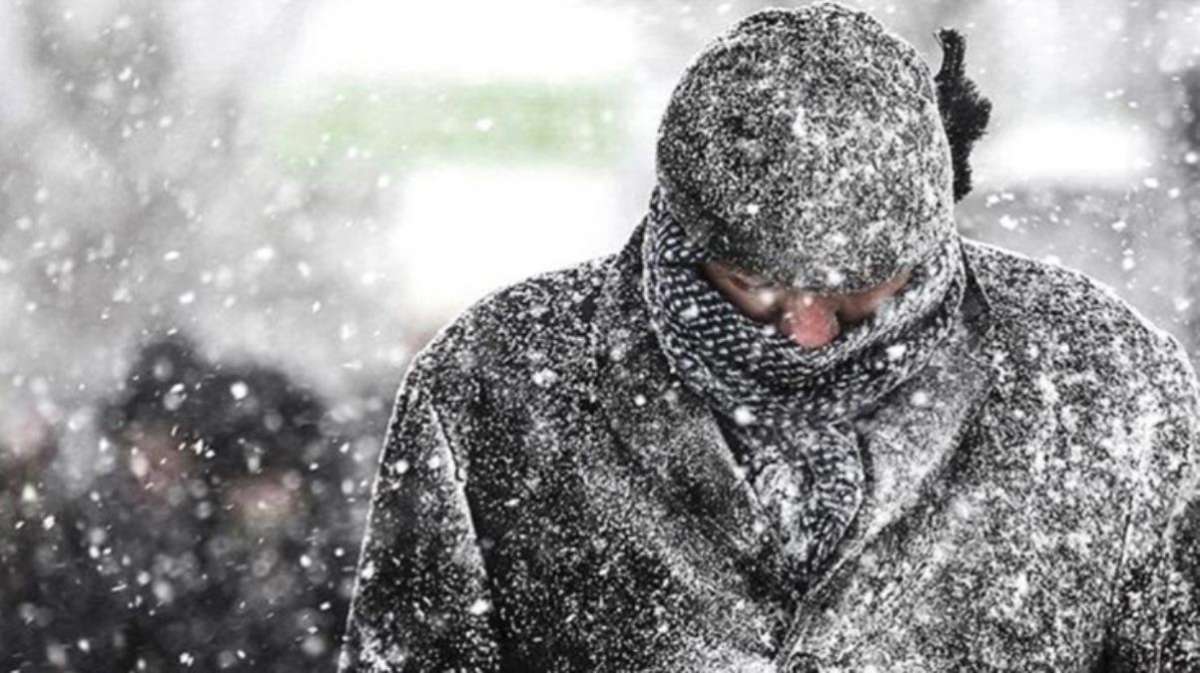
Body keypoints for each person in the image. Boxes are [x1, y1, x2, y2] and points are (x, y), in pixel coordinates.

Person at [339, 3, 1200, 671]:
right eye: (753, 285)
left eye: (863, 289)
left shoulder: (1105, 387)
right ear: (683, 234)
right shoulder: (498, 384)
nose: (809, 332)